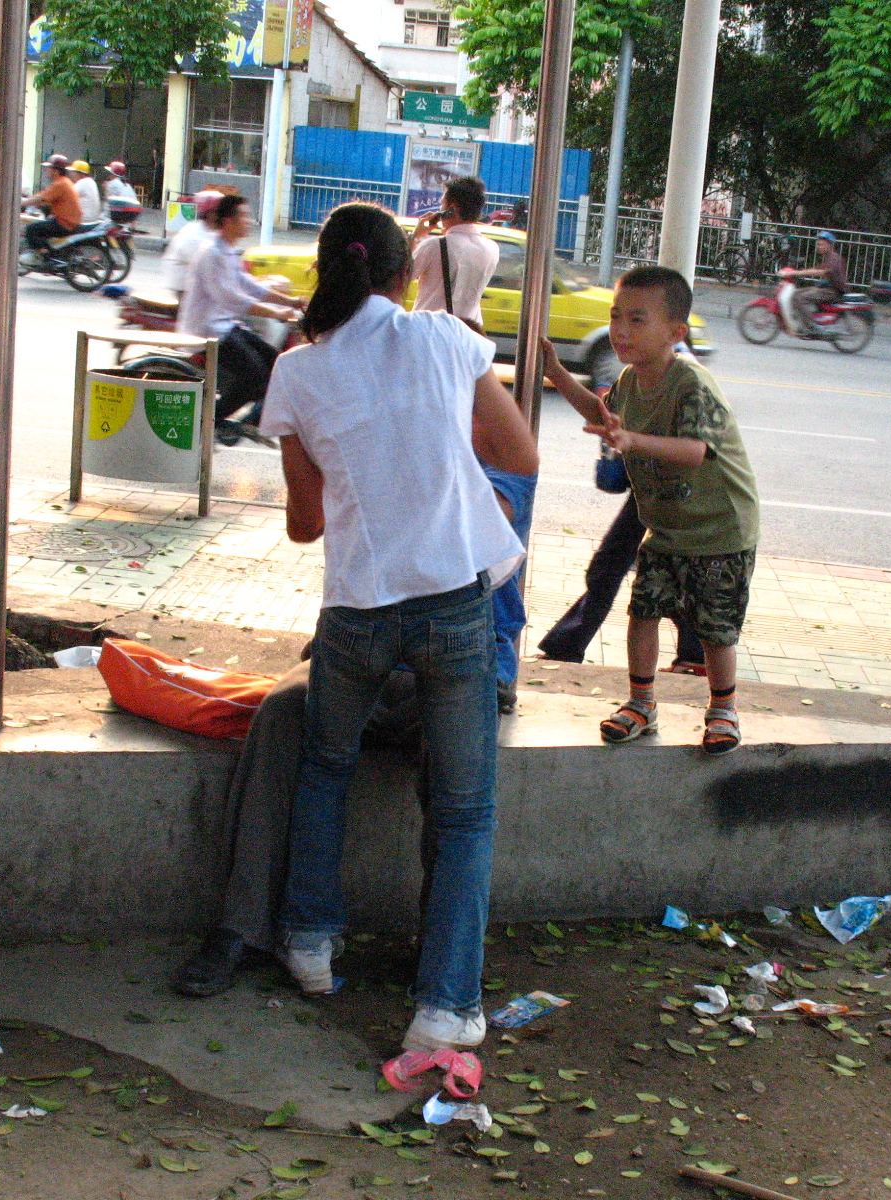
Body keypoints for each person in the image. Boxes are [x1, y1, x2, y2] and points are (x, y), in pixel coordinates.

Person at [259, 202, 537, 1053]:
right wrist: (451, 478)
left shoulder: (298, 373)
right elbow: (519, 454)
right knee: (463, 811)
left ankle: (310, 942)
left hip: (357, 611)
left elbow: (306, 525)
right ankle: (444, 1006)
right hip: (454, 603)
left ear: (327, 270)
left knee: (324, 767)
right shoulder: (448, 341)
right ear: (400, 273)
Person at [540, 265, 759, 755]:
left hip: (720, 529)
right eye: (617, 317)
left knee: (715, 629)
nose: (620, 330)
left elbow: (696, 451)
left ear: (676, 333)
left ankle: (723, 709)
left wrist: (632, 439)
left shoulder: (690, 383)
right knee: (643, 610)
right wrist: (556, 372)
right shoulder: (630, 380)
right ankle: (641, 704)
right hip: (667, 527)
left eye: (638, 320)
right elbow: (603, 414)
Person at [178, 193, 304, 442]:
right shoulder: (212, 253)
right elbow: (233, 299)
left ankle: (248, 424)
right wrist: (276, 312)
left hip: (226, 327)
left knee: (277, 363)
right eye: (243, 216)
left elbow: (251, 286)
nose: (248, 221)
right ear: (227, 221)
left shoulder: (228, 251)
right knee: (256, 375)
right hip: (208, 331)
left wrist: (291, 302)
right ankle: (211, 422)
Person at [535, 493, 709, 673]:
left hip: (665, 490)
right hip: (656, 491)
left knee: (611, 567)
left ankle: (566, 646)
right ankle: (695, 652)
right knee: (613, 567)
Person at [409, 176, 499, 333]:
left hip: (430, 332)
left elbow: (401, 276)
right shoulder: (492, 248)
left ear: (452, 209)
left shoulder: (434, 246)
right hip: (468, 334)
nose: (439, 209)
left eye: (442, 203)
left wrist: (415, 236)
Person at [161, 188, 229, 297]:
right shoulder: (196, 236)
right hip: (188, 292)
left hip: (199, 289)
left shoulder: (206, 231)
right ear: (211, 213)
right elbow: (211, 268)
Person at [784, 231, 847, 332]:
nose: (819, 246)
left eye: (821, 244)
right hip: (826, 288)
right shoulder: (828, 257)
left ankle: (811, 326)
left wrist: (797, 273)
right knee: (794, 293)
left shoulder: (833, 258)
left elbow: (820, 272)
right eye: (818, 244)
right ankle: (804, 319)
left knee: (800, 298)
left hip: (832, 291)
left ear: (829, 245)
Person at [23, 155, 81, 254]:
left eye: (49, 168)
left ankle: (44, 254)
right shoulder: (64, 182)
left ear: (56, 171)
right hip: (67, 221)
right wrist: (30, 200)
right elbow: (44, 198)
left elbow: (41, 198)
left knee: (31, 229)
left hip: (64, 223)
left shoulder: (60, 184)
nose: (46, 170)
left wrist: (22, 203)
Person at [104, 160, 142, 226]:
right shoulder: (127, 185)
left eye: (110, 173)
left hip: (113, 222)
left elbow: (108, 202)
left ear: (113, 174)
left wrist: (106, 189)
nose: (109, 175)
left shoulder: (113, 184)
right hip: (127, 222)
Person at [69, 159, 103, 224]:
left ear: (81, 173)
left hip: (84, 221)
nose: (72, 174)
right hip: (93, 220)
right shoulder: (91, 181)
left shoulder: (83, 182)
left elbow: (68, 195)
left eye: (74, 172)